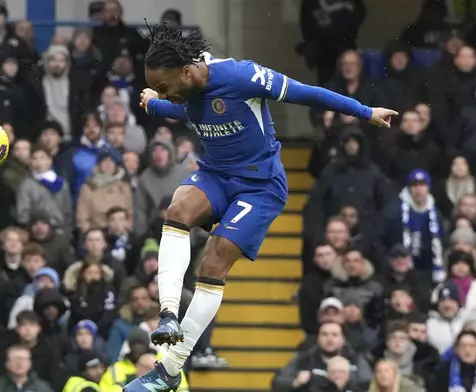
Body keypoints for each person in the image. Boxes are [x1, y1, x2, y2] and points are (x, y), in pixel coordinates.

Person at [127, 23, 397, 391]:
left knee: (213, 261)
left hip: (260, 187)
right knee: (176, 210)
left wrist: (364, 111)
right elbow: (184, 110)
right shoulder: (184, 92)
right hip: (217, 176)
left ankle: (169, 370)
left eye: (164, 86)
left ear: (187, 71)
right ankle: (169, 314)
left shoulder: (241, 76)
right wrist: (154, 103)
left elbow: (308, 94)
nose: (164, 93)